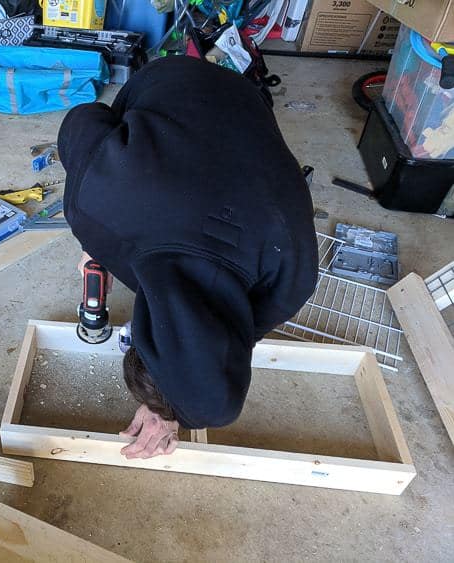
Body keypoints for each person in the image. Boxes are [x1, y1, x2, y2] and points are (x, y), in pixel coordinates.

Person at [57, 55, 318, 460]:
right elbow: (81, 120)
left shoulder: (292, 280)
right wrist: (98, 230)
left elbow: (84, 116)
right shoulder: (97, 205)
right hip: (199, 89)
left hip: (221, 92)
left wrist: (174, 405)